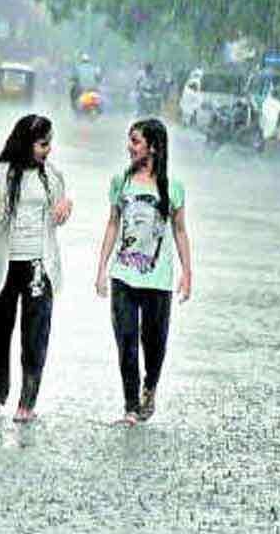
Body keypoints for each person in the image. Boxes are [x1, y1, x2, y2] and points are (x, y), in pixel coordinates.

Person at [0, 115, 74, 423]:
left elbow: (59, 212)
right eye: (43, 144)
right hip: (3, 263)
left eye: (49, 144)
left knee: (35, 335)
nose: (48, 150)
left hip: (39, 266)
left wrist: (65, 210)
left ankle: (27, 403)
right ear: (26, 143)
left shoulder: (51, 176)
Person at [95, 118, 192, 427]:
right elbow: (112, 224)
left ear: (153, 147)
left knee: (154, 342)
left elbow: (180, 231)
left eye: (135, 141)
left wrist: (187, 273)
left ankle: (150, 386)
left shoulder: (173, 188)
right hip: (123, 275)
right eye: (129, 140)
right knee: (125, 340)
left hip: (158, 279)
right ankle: (131, 407)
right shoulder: (120, 182)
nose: (129, 147)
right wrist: (101, 268)